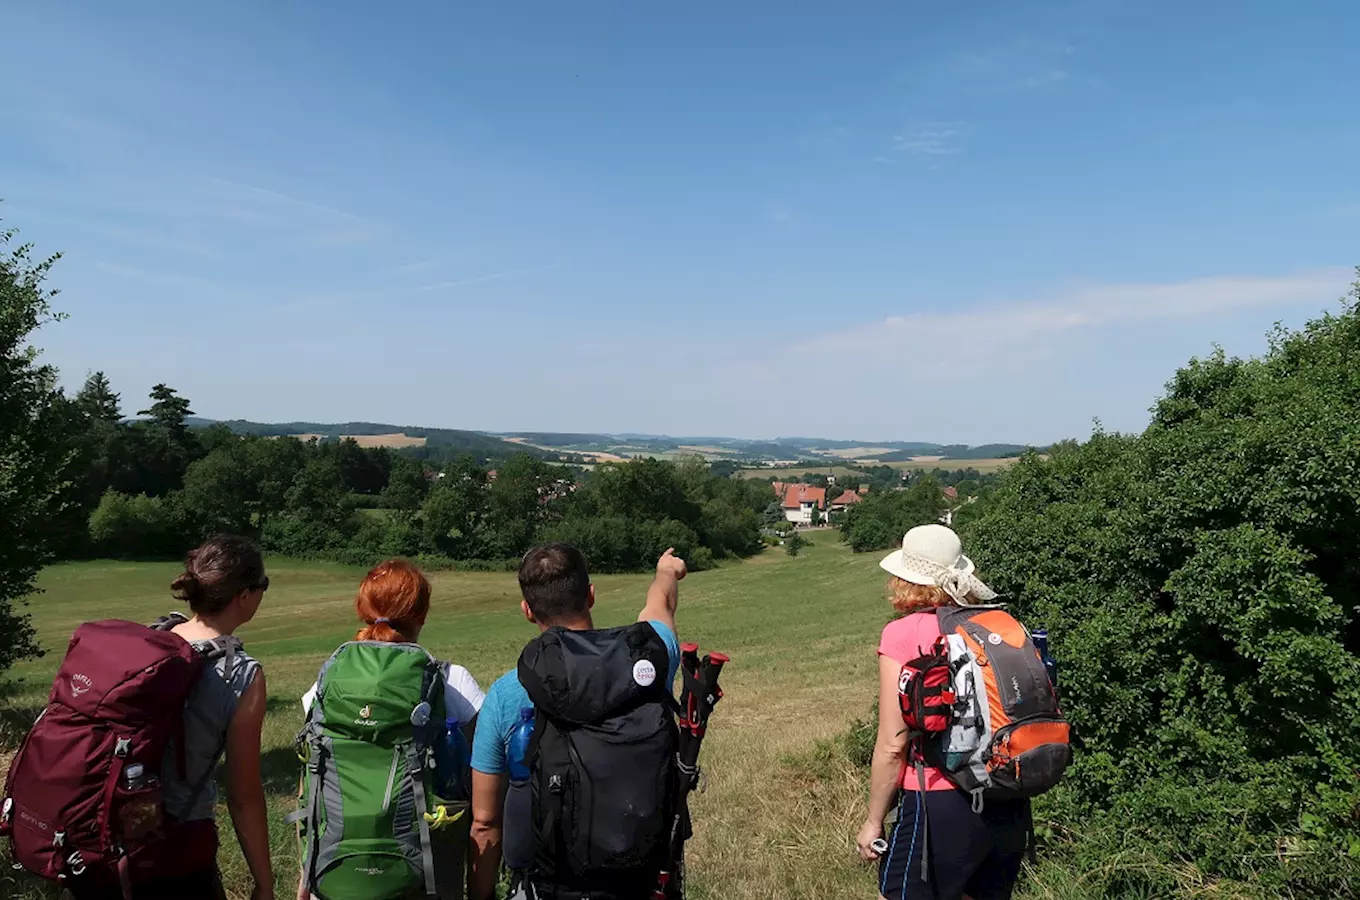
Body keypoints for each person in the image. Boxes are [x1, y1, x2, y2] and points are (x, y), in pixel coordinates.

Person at [467, 544, 687, 900]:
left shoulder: (508, 693)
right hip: (641, 884)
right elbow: (660, 604)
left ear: (526, 610)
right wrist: (666, 571)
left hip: (547, 887)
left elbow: (485, 823)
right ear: (591, 595)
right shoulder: (646, 667)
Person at [856, 525, 1032, 900]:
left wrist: (873, 822)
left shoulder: (903, 634)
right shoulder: (998, 625)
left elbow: (893, 744)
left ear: (904, 580)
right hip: (1008, 800)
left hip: (938, 802)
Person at [297, 559, 485, 900]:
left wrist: (305, 874)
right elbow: (484, 772)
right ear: (422, 614)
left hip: (335, 868)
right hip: (426, 870)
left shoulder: (328, 682)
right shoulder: (450, 680)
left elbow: (312, 773)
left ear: (363, 609)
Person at [116, 535, 274, 900]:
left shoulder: (153, 637)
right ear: (245, 595)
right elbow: (244, 795)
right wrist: (264, 885)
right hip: (175, 853)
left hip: (103, 842)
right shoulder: (242, 675)